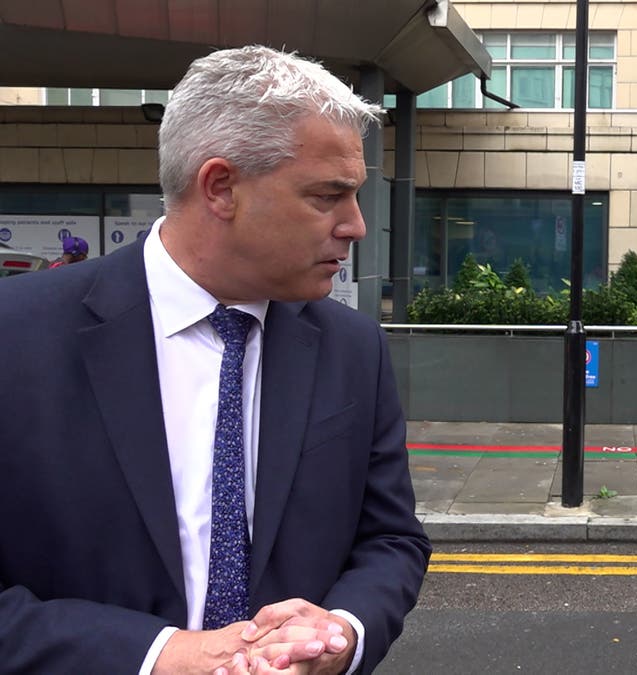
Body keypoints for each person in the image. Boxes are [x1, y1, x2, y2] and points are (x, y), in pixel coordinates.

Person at [0, 46, 430, 674]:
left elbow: (390, 539)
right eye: (327, 196)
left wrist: (338, 636)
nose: (356, 226)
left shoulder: (352, 347)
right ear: (221, 187)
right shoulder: (17, 335)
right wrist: (158, 656)